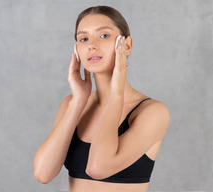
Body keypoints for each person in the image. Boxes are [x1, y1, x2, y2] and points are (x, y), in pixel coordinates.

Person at [33, 5, 170, 192]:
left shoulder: (152, 112)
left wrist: (116, 94)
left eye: (104, 35)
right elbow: (43, 173)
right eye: (83, 38)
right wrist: (79, 101)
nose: (91, 45)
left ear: (127, 45)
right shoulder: (72, 104)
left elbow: (98, 168)